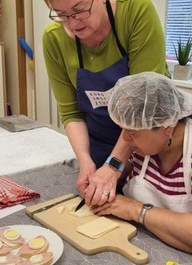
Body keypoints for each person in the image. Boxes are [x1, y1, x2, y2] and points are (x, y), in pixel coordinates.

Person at [92, 72, 192, 262]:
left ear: (167, 127)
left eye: (132, 133)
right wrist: (106, 180)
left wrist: (134, 209)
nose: (125, 139)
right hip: (155, 243)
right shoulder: (149, 144)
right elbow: (131, 172)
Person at [42, 0, 170, 206]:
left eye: (79, 10)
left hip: (148, 147)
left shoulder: (135, 11)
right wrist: (85, 160)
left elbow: (142, 105)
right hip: (100, 149)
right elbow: (71, 112)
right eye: (62, 15)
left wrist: (114, 165)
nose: (73, 24)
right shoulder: (54, 39)